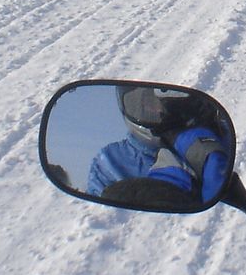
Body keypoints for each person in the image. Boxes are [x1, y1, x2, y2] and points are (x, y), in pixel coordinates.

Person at [87, 86, 231, 206]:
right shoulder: (110, 160)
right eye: (148, 103)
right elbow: (98, 216)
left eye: (163, 103)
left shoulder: (216, 142)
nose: (159, 111)